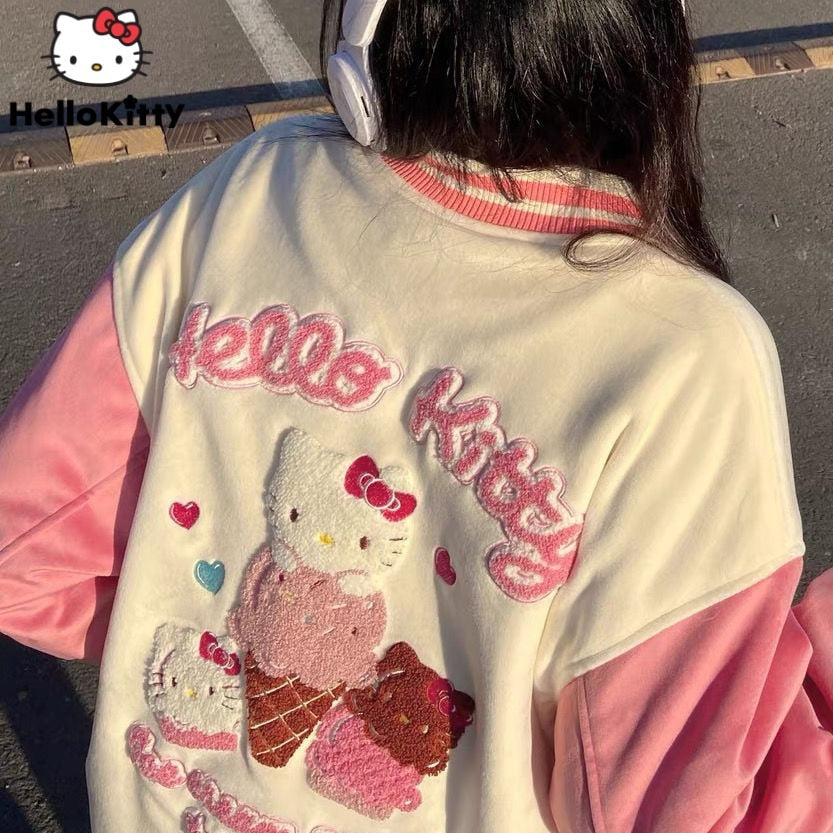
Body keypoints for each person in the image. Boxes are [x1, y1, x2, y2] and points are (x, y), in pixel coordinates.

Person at [0, 0, 831, 830]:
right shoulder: (685, 353)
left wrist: (186, 623)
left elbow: (22, 545)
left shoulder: (246, 193)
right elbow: (680, 805)